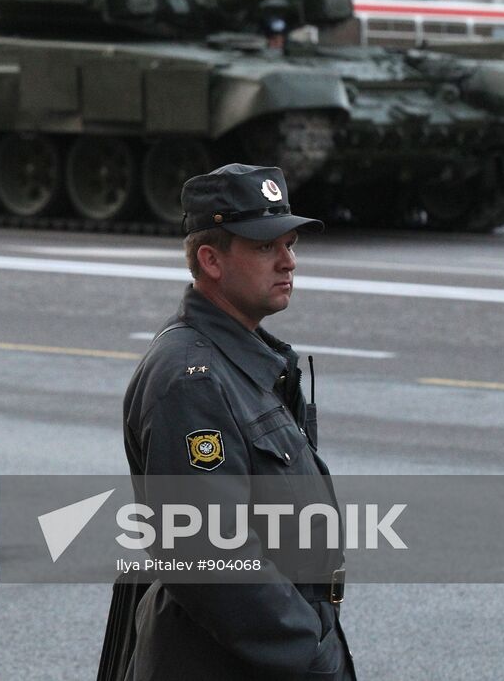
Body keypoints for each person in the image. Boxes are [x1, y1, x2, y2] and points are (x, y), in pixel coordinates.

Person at [118, 163, 355, 681]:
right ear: (211, 260)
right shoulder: (192, 379)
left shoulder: (243, 360)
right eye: (266, 247)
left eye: (291, 244)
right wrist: (311, 655)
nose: (288, 261)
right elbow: (207, 554)